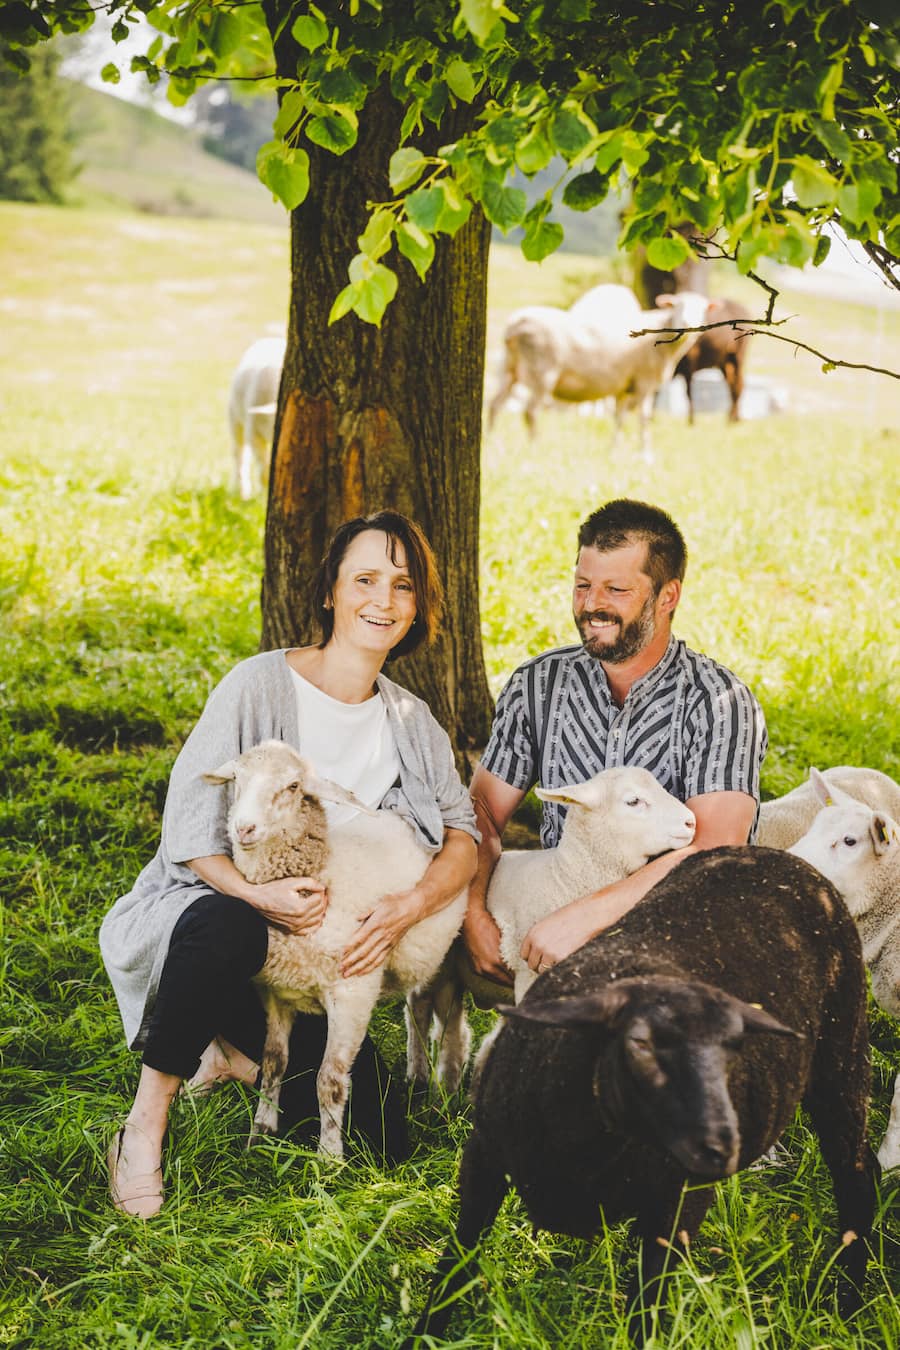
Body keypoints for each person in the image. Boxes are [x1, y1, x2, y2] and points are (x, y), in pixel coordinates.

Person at [100, 510, 479, 1218]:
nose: (382, 600)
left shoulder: (411, 723)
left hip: (323, 964)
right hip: (237, 932)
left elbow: (463, 836)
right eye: (364, 579)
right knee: (224, 923)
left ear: (417, 606)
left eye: (402, 585)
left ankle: (236, 1056)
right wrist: (259, 895)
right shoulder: (257, 687)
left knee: (380, 1135)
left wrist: (409, 904)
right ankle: (144, 1123)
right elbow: (188, 828)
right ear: (330, 593)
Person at [464, 497, 767, 985]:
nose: (591, 605)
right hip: (554, 934)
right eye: (582, 585)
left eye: (616, 589)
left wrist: (582, 918)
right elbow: (479, 812)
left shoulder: (719, 702)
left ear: (667, 596)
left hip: (678, 936)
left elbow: (715, 852)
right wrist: (474, 911)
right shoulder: (537, 684)